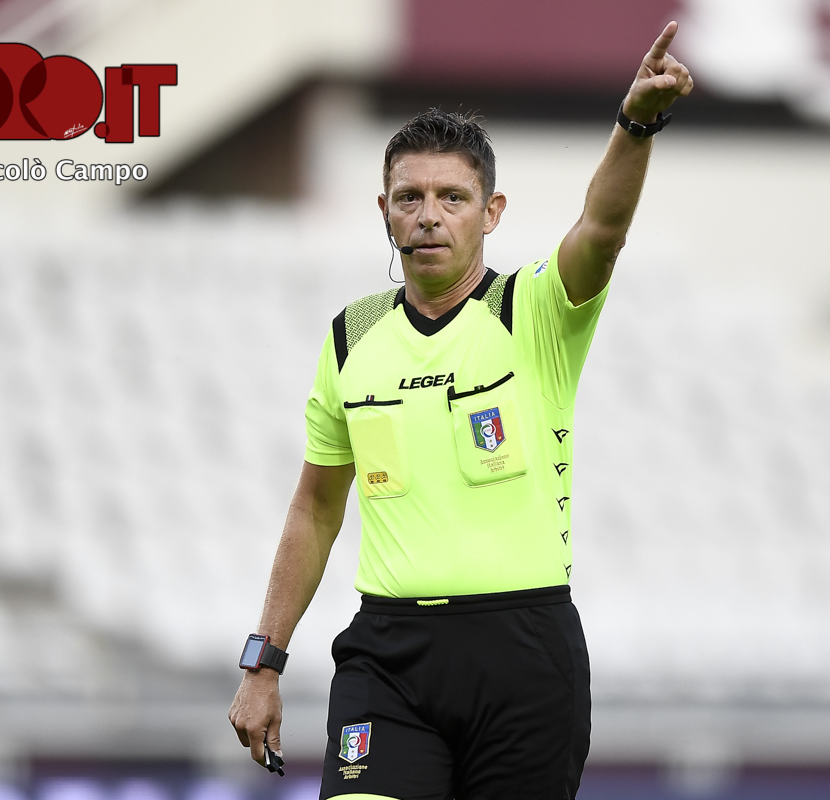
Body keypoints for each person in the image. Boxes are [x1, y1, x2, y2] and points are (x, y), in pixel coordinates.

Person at [229, 20, 693, 800]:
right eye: (409, 197)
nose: (429, 215)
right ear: (384, 210)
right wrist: (263, 662)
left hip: (523, 655)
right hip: (388, 655)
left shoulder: (535, 311)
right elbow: (315, 507)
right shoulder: (351, 337)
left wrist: (636, 124)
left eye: (453, 197)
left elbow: (603, 229)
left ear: (492, 210)